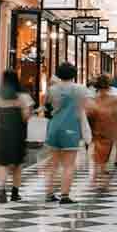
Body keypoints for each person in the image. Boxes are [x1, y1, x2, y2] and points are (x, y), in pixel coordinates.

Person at [44, 62, 88, 204]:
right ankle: (64, 196)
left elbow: (46, 107)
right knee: (69, 165)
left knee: (53, 164)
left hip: (53, 127)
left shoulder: (52, 89)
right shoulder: (80, 89)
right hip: (71, 128)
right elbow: (83, 108)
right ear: (74, 75)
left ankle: (49, 194)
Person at [0, 70, 34, 203]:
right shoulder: (23, 96)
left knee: (3, 164)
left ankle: (1, 191)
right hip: (18, 133)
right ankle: (15, 193)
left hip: (3, 132)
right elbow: (26, 117)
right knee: (17, 165)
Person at [86, 74, 117, 175]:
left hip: (96, 123)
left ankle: (98, 166)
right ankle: (102, 167)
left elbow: (89, 110)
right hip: (108, 123)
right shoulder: (113, 95)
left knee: (98, 145)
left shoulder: (92, 94)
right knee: (106, 146)